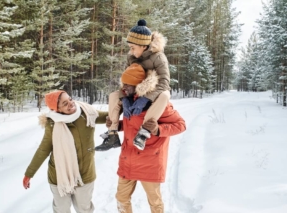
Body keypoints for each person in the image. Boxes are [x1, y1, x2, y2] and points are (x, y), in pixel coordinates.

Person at [107, 64, 186, 213]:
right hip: (128, 159)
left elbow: (181, 125)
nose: (123, 88)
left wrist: (158, 130)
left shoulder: (157, 103)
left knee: (155, 203)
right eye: (123, 84)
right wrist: (117, 125)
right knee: (121, 198)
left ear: (139, 84)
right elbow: (132, 125)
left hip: (150, 161)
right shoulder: (127, 101)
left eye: (127, 85)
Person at [22, 90, 108, 213]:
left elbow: (109, 117)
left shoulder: (86, 113)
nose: (71, 104)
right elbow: (43, 149)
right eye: (64, 103)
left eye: (70, 99)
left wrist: (126, 108)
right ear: (56, 109)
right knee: (62, 210)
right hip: (59, 176)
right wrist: (29, 174)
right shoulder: (52, 123)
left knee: (84, 209)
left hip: (84, 174)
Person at [95, 19, 171, 151]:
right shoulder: (131, 57)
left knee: (165, 95)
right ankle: (112, 134)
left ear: (143, 45)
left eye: (132, 47)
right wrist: (125, 98)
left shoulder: (159, 57)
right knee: (114, 95)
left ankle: (143, 132)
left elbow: (164, 82)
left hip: (152, 90)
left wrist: (146, 98)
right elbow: (126, 80)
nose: (130, 51)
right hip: (134, 90)